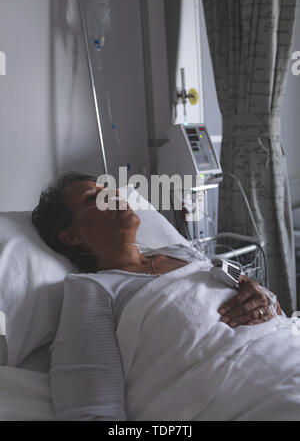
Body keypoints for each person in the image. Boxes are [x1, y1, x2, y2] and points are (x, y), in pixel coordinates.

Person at [32, 172, 283, 421]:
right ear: (72, 235)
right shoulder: (93, 289)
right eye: (94, 198)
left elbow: (270, 305)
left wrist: (264, 298)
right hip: (259, 396)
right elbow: (90, 412)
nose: (113, 196)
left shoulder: (184, 253)